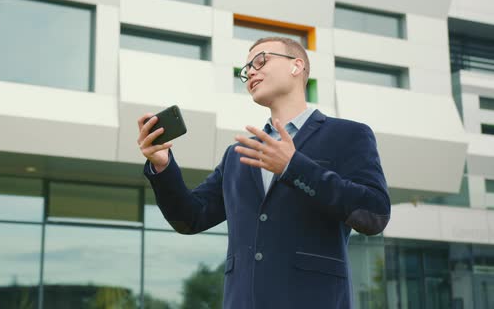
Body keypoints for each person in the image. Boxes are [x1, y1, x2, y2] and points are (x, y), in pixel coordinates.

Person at [136, 36, 390, 309]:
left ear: (296, 66)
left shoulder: (348, 135)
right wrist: (162, 165)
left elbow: (374, 214)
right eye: (246, 70)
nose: (250, 72)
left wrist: (293, 167)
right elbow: (190, 218)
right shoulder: (237, 155)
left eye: (260, 60)